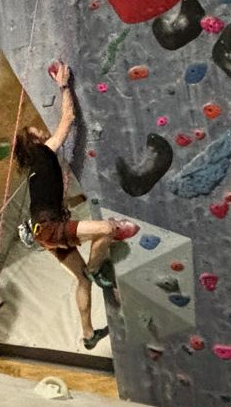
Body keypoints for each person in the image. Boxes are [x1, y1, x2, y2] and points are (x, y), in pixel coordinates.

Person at [12, 60, 138, 349]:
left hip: (45, 231)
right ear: (33, 141)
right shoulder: (43, 152)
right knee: (107, 229)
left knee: (81, 281)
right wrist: (64, 86)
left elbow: (50, 198)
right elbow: (68, 120)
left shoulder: (36, 169)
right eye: (37, 131)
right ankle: (96, 268)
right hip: (50, 227)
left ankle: (87, 334)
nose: (42, 131)